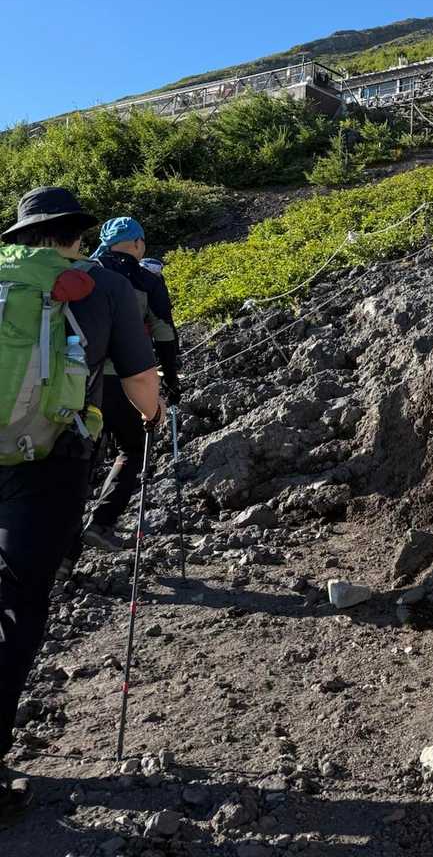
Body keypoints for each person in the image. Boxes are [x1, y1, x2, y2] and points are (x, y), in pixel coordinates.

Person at [0, 187, 163, 828]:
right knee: (18, 600)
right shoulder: (105, 286)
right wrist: (153, 415)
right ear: (77, 235)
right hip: (49, 461)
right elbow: (140, 381)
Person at [80, 217, 179, 554]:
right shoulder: (146, 279)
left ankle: (63, 551)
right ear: (137, 243)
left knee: (80, 458)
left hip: (78, 381)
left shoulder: (85, 272)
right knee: (133, 448)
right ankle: (101, 523)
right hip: (125, 380)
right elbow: (164, 332)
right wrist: (171, 380)